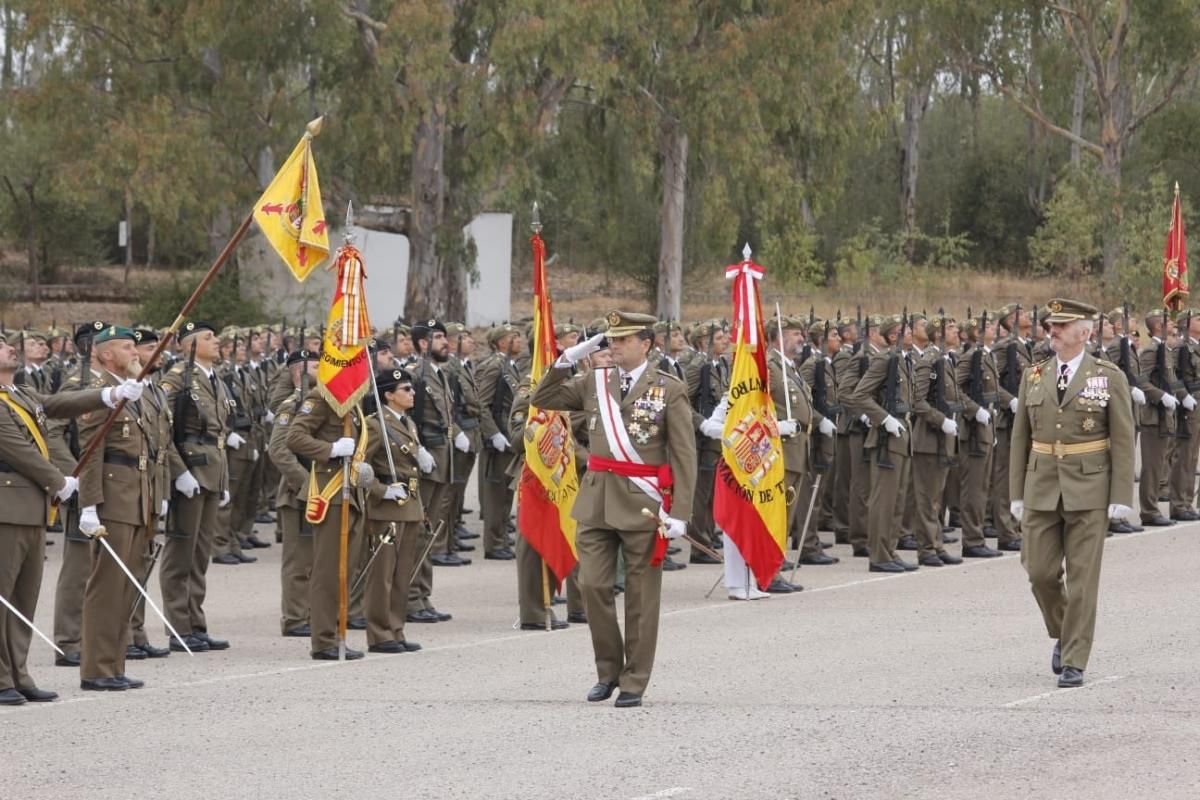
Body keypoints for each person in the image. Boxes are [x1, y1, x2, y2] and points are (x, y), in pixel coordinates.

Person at [529, 311, 696, 708]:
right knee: (593, 586)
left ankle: (635, 678)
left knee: (641, 595)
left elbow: (685, 453)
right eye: (611, 340)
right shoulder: (594, 381)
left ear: (646, 343)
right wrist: (567, 360)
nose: (614, 346)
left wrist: (682, 513)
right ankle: (608, 670)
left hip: (643, 505)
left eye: (623, 340)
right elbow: (543, 398)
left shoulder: (668, 388)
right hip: (597, 499)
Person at [1009, 298, 1134, 688]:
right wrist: (1016, 492)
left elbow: (1124, 437)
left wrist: (1120, 494)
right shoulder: (1034, 375)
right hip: (1042, 484)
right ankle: (1064, 632)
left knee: (1082, 579)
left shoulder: (1107, 376)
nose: (1053, 331)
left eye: (1062, 326)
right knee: (1039, 572)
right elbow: (1019, 438)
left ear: (1085, 332)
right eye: (1052, 325)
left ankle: (1075, 659)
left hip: (1089, 487)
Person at [0, 331, 128, 704]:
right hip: (8, 508)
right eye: (1, 344)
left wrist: (108, 395)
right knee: (3, 597)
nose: (11, 347)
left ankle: (18, 673)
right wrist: (60, 481)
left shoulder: (20, 394)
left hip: (33, 508)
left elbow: (56, 404)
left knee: (24, 598)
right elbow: (17, 448)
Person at [75, 326, 153, 691]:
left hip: (136, 497)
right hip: (113, 498)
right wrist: (88, 504)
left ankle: (113, 664)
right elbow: (91, 452)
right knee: (106, 586)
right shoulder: (101, 392)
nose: (134, 351)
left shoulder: (132, 389)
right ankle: (96, 668)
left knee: (125, 586)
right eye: (126, 346)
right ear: (105, 355)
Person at [159, 320, 233, 654]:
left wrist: (224, 479)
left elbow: (219, 435)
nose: (216, 341)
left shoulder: (213, 379)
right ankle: (178, 626)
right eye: (207, 337)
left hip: (212, 472)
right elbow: (164, 429)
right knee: (181, 553)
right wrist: (178, 472)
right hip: (190, 469)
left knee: (200, 553)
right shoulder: (176, 379)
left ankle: (195, 623)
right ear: (188, 345)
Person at [360, 368, 425, 654]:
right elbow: (359, 466)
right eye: (405, 389)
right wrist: (380, 490)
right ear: (388, 395)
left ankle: (396, 629)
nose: (412, 394)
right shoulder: (375, 425)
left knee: (402, 575)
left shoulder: (408, 423)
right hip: (386, 507)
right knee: (382, 575)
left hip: (409, 505)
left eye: (411, 389)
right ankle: (379, 633)